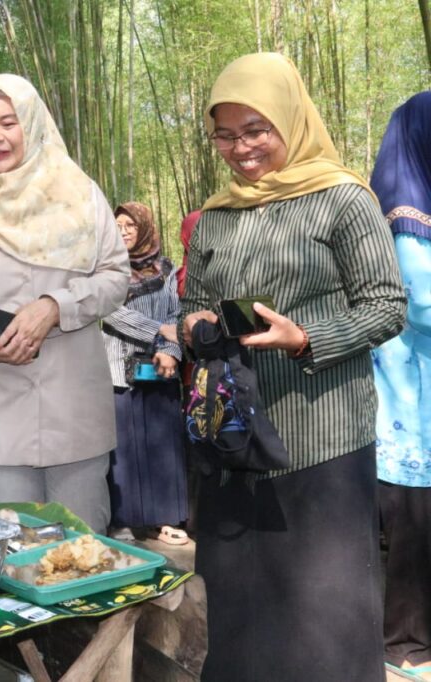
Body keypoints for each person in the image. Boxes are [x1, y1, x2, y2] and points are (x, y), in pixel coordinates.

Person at [180, 53, 405, 681]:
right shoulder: (216, 215)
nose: (240, 148)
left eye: (256, 129)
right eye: (225, 134)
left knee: (323, 617)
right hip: (233, 440)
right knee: (240, 612)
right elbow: (194, 300)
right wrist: (193, 325)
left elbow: (387, 307)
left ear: (290, 118)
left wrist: (305, 338)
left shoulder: (343, 199)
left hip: (321, 438)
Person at [0, 74, 129, 532]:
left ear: (31, 123)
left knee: (84, 547)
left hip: (74, 405)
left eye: (7, 122)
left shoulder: (82, 197)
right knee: (13, 551)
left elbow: (116, 276)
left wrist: (55, 306)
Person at [369, 91, 431, 679]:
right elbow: (422, 301)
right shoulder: (405, 212)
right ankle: (404, 645)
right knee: (411, 524)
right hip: (409, 403)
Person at [102, 202, 187, 545]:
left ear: (145, 229)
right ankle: (123, 520)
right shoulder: (107, 269)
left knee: (162, 443)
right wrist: (158, 333)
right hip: (119, 369)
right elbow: (110, 312)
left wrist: (170, 350)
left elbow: (176, 312)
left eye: (130, 226)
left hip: (159, 369)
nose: (122, 231)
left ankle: (164, 518)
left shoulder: (165, 269)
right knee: (123, 445)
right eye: (117, 225)